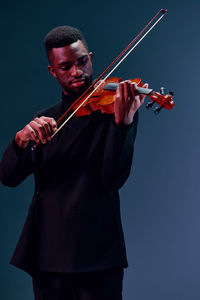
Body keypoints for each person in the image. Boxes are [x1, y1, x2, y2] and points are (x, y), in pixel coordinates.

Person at [0, 26, 148, 300]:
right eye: (65, 66)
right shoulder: (45, 120)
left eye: (81, 62)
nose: (76, 72)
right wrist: (21, 140)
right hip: (47, 253)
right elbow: (7, 177)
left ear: (90, 58)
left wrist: (122, 125)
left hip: (98, 254)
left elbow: (113, 178)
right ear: (52, 71)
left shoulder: (116, 111)